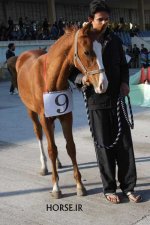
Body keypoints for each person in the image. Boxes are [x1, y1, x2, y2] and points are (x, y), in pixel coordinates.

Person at [69, 0, 142, 204]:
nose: (104, 23)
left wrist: (125, 83)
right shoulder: (83, 41)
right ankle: (109, 188)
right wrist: (80, 80)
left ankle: (128, 187)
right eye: (100, 19)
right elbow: (71, 71)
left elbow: (124, 66)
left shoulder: (115, 41)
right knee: (104, 147)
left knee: (125, 146)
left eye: (107, 19)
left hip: (117, 100)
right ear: (90, 20)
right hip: (96, 102)